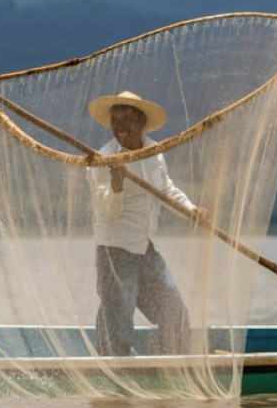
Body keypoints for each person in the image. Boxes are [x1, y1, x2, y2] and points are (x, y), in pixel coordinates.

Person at [86, 90, 207, 356]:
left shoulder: (154, 151)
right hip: (114, 250)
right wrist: (116, 187)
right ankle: (115, 370)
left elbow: (166, 189)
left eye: (127, 119)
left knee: (173, 310)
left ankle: (167, 367)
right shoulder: (102, 159)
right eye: (115, 120)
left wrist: (191, 209)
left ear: (141, 122)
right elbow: (108, 210)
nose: (120, 126)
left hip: (143, 247)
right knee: (117, 320)